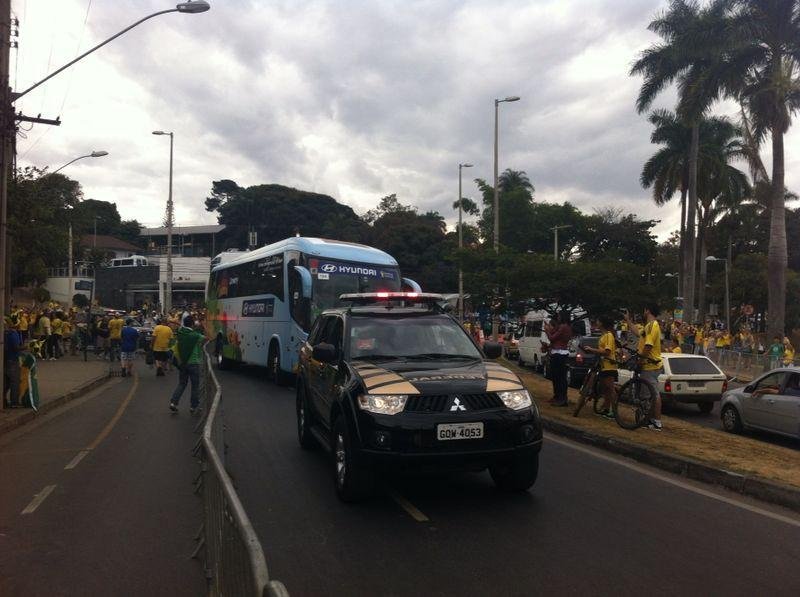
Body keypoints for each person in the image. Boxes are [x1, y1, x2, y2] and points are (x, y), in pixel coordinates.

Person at [635, 304, 664, 431]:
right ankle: (651, 419)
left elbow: (648, 345)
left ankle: (656, 422)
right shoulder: (648, 326)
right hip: (650, 365)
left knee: (653, 394)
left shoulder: (652, 325)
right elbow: (638, 333)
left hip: (650, 365)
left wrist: (641, 360)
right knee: (649, 394)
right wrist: (628, 320)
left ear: (647, 310)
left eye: (644, 309)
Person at [169, 316, 206, 414]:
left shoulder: (180, 333)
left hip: (182, 362)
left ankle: (173, 402)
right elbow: (209, 338)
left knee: (182, 383)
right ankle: (194, 406)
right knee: (195, 386)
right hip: (194, 363)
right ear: (193, 324)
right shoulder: (196, 335)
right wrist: (204, 326)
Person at [582, 315, 617, 418]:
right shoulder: (604, 335)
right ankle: (606, 408)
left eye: (598, 321)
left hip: (609, 365)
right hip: (603, 365)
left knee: (610, 388)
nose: (596, 323)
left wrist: (592, 350)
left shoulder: (608, 335)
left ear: (602, 323)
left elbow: (607, 351)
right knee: (606, 389)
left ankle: (613, 411)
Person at [545, 312, 572, 407]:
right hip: (559, 353)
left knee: (559, 377)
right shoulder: (566, 327)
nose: (558, 318)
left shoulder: (563, 327)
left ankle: (561, 398)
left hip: (559, 354)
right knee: (557, 377)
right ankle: (558, 397)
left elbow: (552, 338)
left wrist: (547, 331)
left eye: (559, 316)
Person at [4, 314, 23, 408]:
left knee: (6, 382)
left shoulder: (5, 334)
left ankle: (3, 400)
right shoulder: (13, 333)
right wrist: (27, 347)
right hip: (13, 359)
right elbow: (16, 347)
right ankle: (14, 402)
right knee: (15, 382)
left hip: (6, 359)